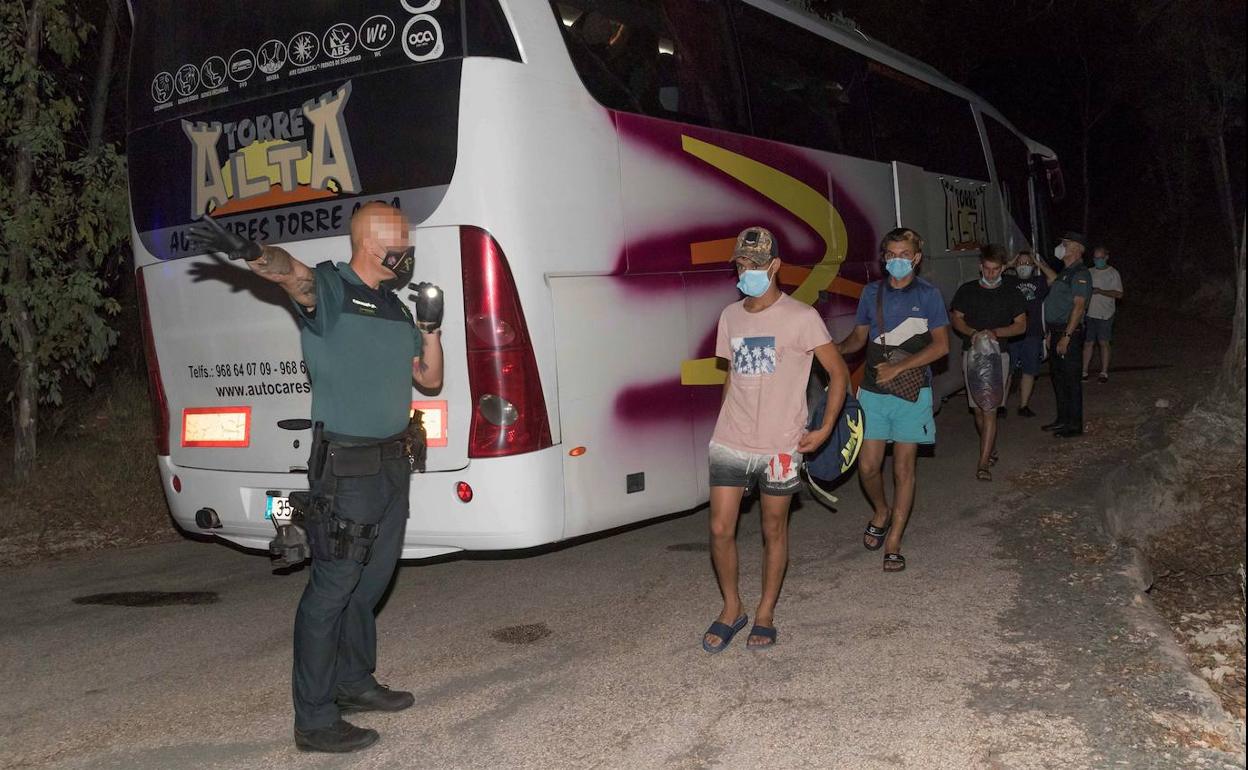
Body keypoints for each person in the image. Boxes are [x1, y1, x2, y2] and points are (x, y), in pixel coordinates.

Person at [187, 203, 445, 753]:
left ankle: (353, 683)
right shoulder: (329, 289)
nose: (409, 247)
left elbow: (428, 378)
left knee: (370, 583)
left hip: (393, 463)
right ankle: (315, 718)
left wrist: (429, 328)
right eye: (401, 238)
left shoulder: (393, 306)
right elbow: (289, 273)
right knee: (332, 589)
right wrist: (252, 252)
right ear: (372, 244)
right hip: (347, 468)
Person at [702, 226, 850, 652]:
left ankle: (765, 611)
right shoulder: (730, 316)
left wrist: (825, 429)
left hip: (781, 447)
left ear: (775, 266)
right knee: (719, 528)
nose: (747, 270)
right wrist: (724, 422)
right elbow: (732, 375)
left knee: (773, 528)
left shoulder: (801, 317)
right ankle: (732, 607)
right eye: (741, 263)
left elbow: (838, 372)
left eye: (756, 263)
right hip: (731, 439)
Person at [837, 227, 950, 572]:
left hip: (912, 392)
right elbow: (858, 339)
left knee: (904, 468)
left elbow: (941, 346)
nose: (897, 260)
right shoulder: (871, 293)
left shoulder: (928, 295)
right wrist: (830, 351)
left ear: (916, 258)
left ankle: (895, 540)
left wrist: (899, 368)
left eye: (904, 255)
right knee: (868, 466)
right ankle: (881, 510)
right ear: (883, 258)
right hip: (873, 391)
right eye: (891, 255)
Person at [950, 244, 1027, 481]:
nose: (991, 273)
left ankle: (983, 463)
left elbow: (1021, 325)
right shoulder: (967, 290)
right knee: (978, 410)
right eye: (987, 269)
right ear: (980, 267)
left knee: (990, 408)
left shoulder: (1012, 292)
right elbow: (956, 318)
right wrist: (972, 332)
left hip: (998, 355)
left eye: (995, 269)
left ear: (1003, 268)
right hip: (972, 355)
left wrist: (996, 333)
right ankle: (989, 445)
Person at [1034, 231, 1091, 438]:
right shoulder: (1067, 272)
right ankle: (1063, 419)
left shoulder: (1080, 273)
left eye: (1065, 244)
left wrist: (1067, 336)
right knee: (1058, 378)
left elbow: (1079, 306)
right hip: (1057, 331)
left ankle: (1074, 426)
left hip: (1069, 333)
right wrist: (1053, 333)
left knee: (1070, 380)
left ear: (1076, 249)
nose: (1061, 247)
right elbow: (1054, 280)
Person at [1005, 249, 1049, 417]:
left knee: (1029, 370)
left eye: (1027, 263)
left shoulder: (1039, 281)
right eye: (1020, 263)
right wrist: (1009, 264)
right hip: (1012, 333)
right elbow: (991, 274)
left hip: (1033, 333)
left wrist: (1039, 264)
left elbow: (1055, 278)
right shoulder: (1009, 281)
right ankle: (1001, 405)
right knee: (1007, 370)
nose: (1023, 266)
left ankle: (1023, 405)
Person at [1082, 245, 1123, 383]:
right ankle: (1084, 371)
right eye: (1095, 258)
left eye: (1100, 258)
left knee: (1104, 342)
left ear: (1106, 257)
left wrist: (1101, 291)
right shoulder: (1089, 272)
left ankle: (1104, 372)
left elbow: (1119, 294)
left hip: (1105, 314)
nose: (1097, 260)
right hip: (1090, 314)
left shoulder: (1113, 273)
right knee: (1088, 343)